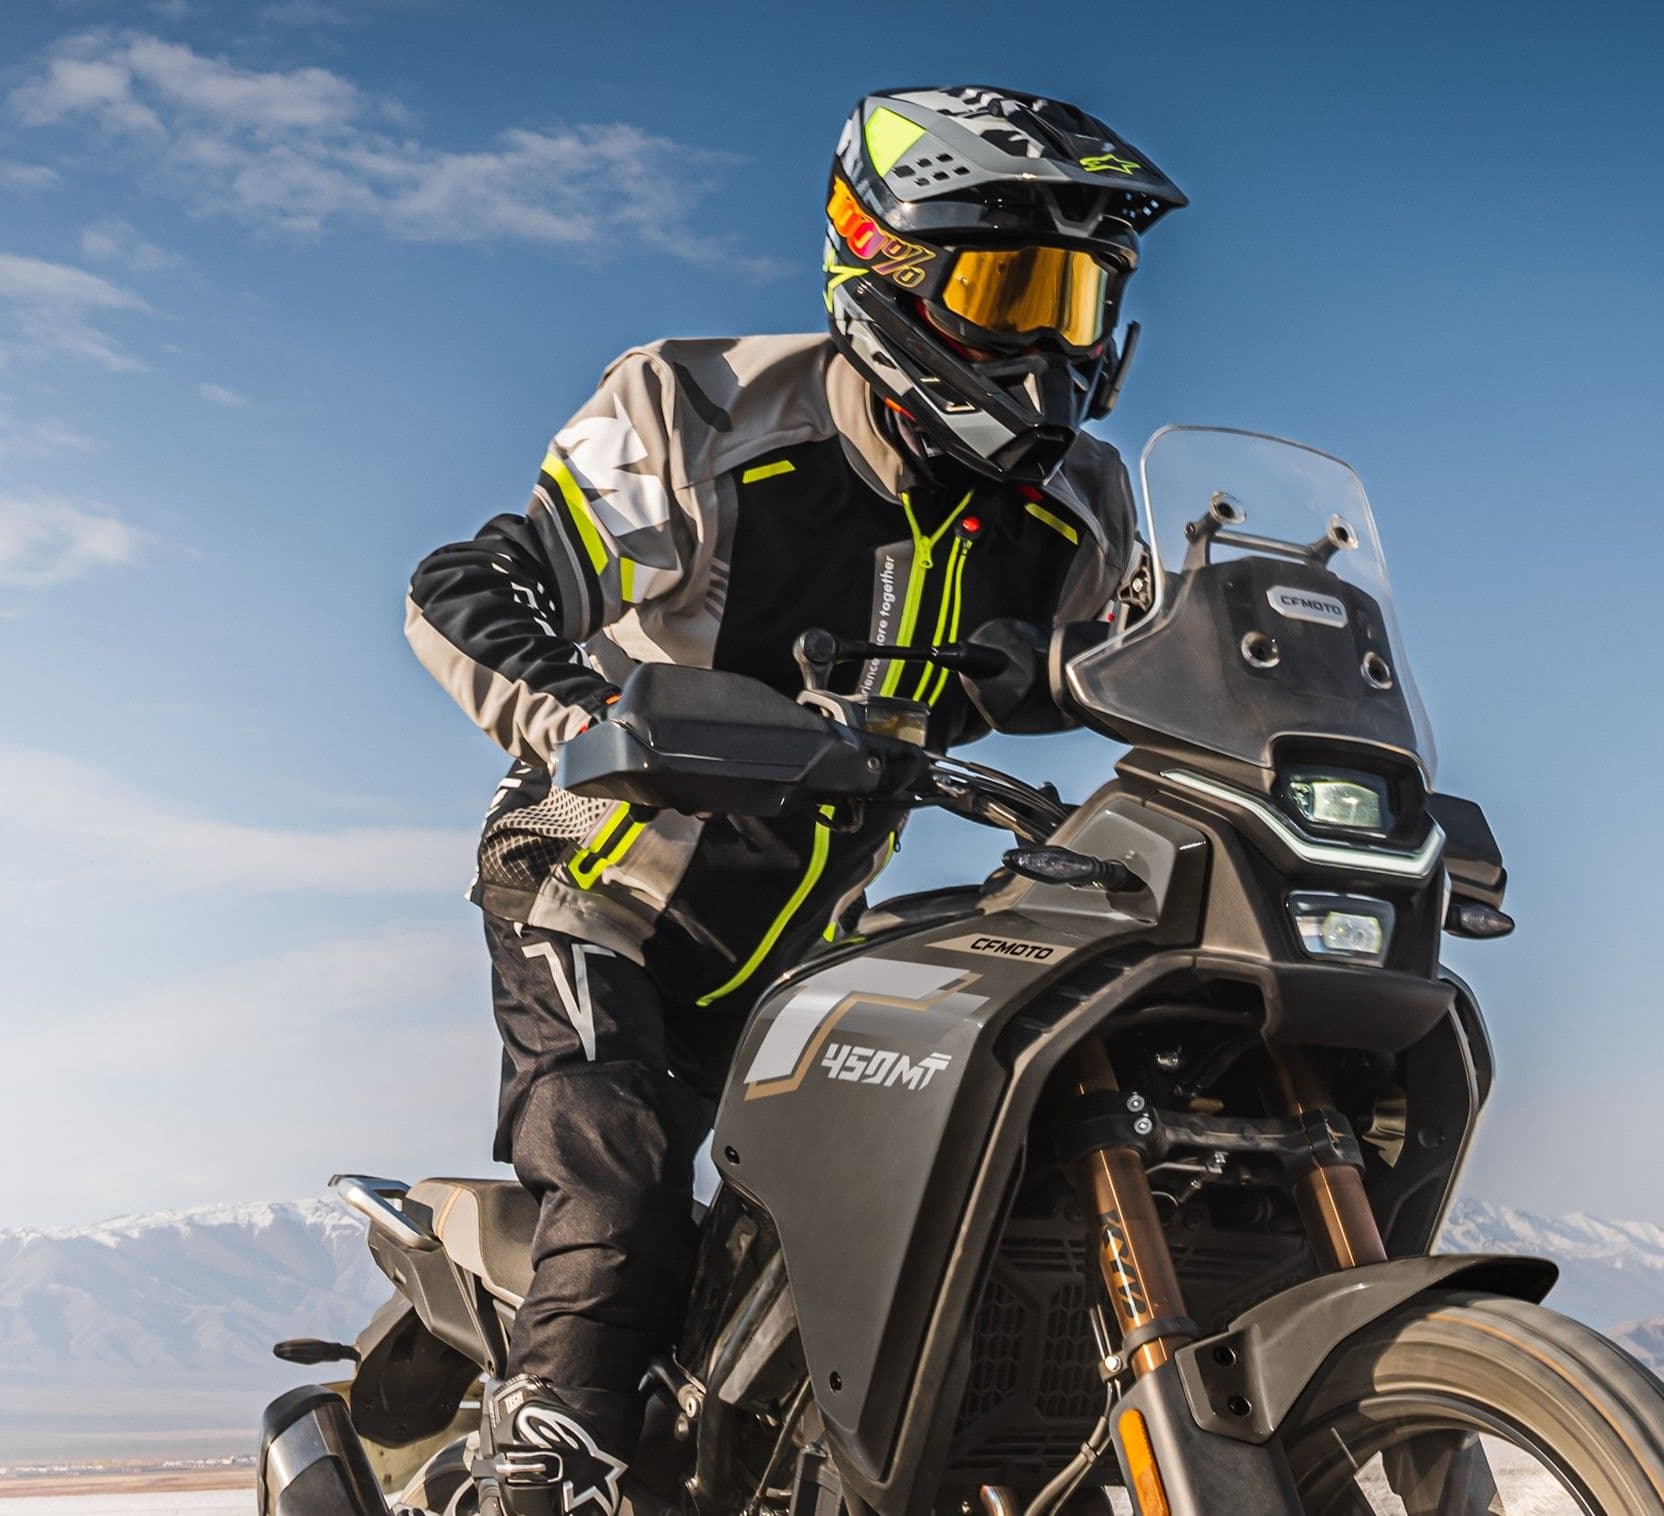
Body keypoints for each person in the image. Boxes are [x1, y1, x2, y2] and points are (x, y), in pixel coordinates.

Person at [405, 85, 1183, 1514]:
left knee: (893, 1226)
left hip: (811, 942)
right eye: (1009, 289)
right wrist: (591, 723)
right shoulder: (696, 409)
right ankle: (542, 1461)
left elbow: (1133, 673)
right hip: (600, 893)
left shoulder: (1080, 501)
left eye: (1078, 299)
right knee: (627, 1198)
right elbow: (470, 586)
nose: (1052, 344)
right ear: (880, 269)